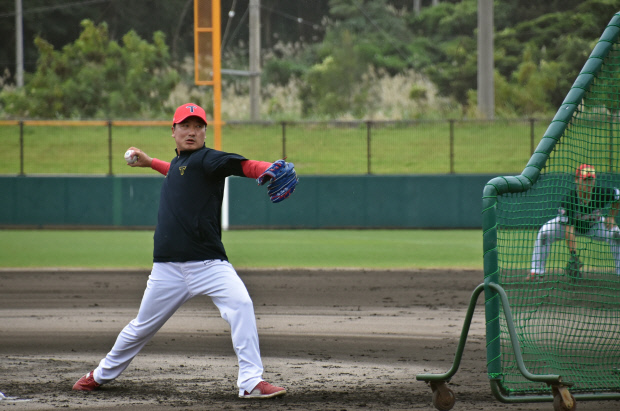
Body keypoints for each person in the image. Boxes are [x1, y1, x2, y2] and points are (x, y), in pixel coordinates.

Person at [73, 103, 297, 399]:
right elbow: (176, 172)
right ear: (173, 130)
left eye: (198, 126)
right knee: (141, 328)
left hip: (209, 265)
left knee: (241, 305)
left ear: (205, 132)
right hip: (167, 269)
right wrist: (150, 162)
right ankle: (99, 375)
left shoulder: (208, 159)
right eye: (185, 126)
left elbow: (240, 166)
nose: (192, 132)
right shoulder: (181, 165)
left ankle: (250, 382)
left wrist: (267, 168)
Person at [528, 164, 620, 281]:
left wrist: (611, 216)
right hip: (569, 227)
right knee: (544, 233)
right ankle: (536, 272)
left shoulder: (600, 193)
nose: (589, 183)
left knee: (616, 234)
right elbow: (569, 229)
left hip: (594, 226)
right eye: (585, 180)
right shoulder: (569, 199)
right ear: (577, 180)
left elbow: (617, 195)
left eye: (591, 179)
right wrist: (573, 254)